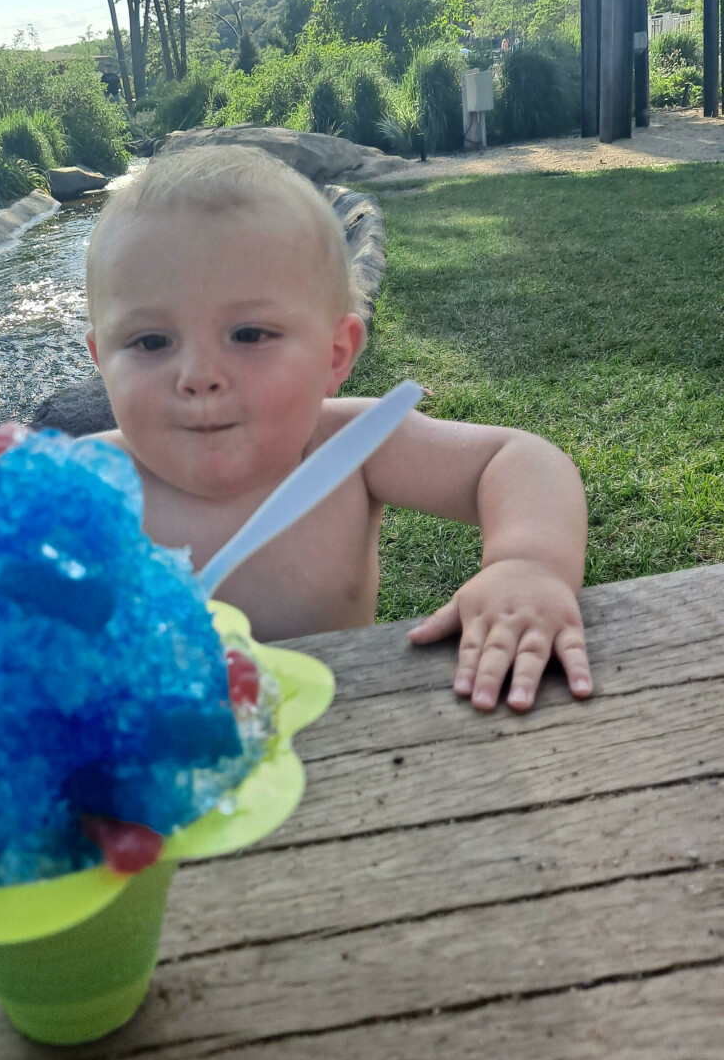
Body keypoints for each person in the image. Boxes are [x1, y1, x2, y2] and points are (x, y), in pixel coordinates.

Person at [81, 145, 593, 713]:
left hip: (352, 746)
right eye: (151, 342)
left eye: (249, 335)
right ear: (101, 359)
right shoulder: (84, 488)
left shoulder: (351, 448)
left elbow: (518, 459)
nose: (198, 377)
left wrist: (527, 564)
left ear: (334, 354)